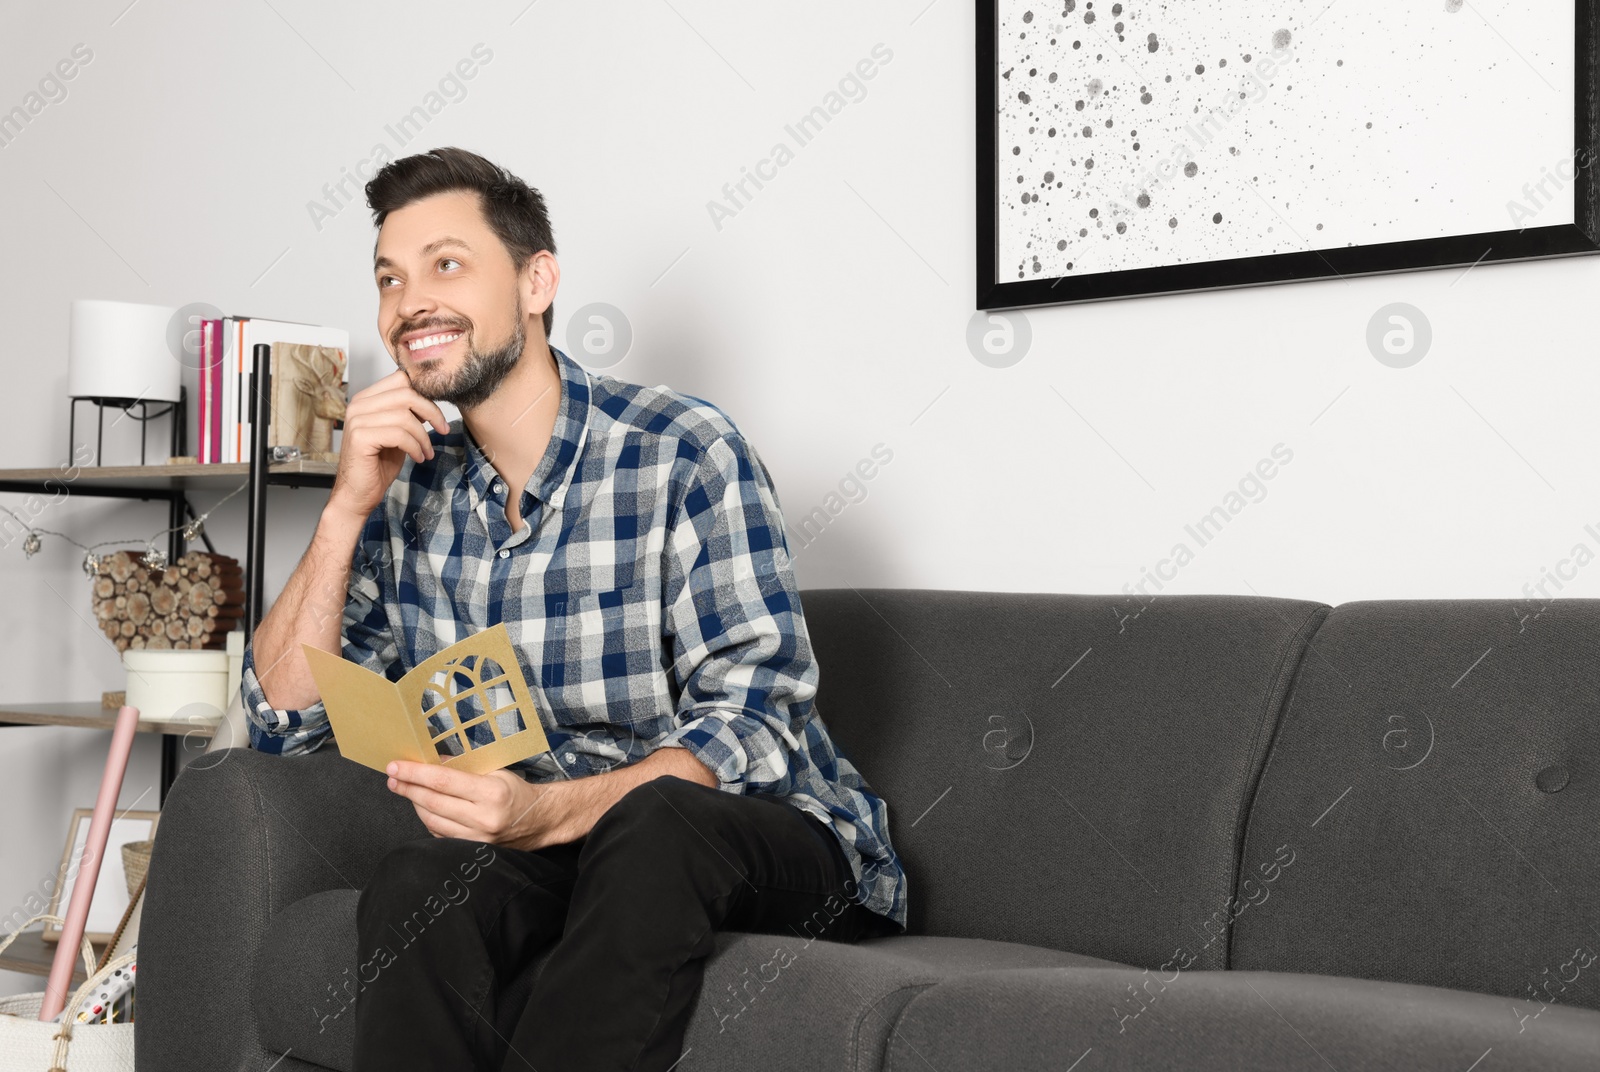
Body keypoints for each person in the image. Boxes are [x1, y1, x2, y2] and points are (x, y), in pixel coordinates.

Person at [238, 146, 907, 1072]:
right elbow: (281, 720)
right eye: (389, 278)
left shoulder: (681, 449)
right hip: (565, 853)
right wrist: (345, 506)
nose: (409, 303)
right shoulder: (403, 496)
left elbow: (755, 722)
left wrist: (541, 813)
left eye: (447, 264)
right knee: (415, 883)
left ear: (537, 281)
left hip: (764, 836)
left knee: (656, 824)